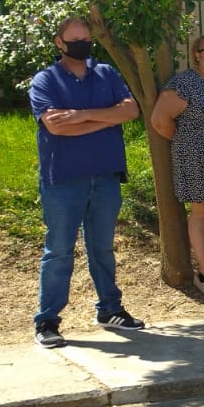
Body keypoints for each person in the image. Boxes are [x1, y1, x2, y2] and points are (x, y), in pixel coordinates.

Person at [29, 17, 145, 347]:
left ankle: (110, 309)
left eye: (86, 38)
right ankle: (47, 321)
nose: (82, 43)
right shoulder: (45, 80)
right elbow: (55, 126)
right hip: (63, 179)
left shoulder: (105, 73)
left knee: (102, 248)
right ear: (59, 42)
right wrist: (103, 117)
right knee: (59, 252)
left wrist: (79, 115)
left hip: (105, 177)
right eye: (74, 39)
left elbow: (130, 111)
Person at [149, 33, 204, 292]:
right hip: (197, 158)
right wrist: (190, 143)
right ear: (197, 55)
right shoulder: (184, 84)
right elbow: (159, 120)